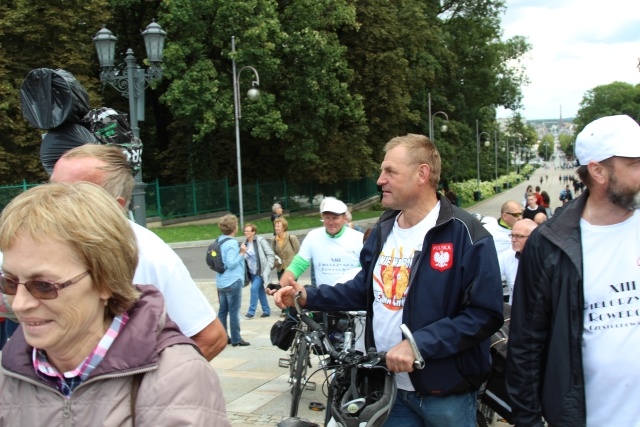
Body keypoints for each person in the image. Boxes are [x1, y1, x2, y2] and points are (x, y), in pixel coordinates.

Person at [273, 134, 503, 426]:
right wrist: (308, 296)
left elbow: (485, 314)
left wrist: (418, 344)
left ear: (422, 173)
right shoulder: (383, 227)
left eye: (390, 171)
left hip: (446, 394)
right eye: (382, 171)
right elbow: (365, 290)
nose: (380, 180)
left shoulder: (467, 234)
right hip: (388, 388)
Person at [0, 182, 229, 425]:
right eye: (10, 283)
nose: (20, 304)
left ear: (105, 281)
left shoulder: (176, 379)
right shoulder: (9, 372)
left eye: (44, 286)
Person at [507, 114, 640, 426]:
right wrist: (528, 420)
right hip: (587, 417)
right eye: (634, 164)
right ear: (597, 170)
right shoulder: (549, 244)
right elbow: (526, 343)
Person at [50, 144, 227, 360]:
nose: (51, 203)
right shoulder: (40, 244)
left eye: (73, 195)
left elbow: (210, 338)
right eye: (50, 189)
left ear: (115, 207)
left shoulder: (148, 255)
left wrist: (141, 390)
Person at [277, 197, 363, 288]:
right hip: (323, 297)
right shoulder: (313, 237)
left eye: (335, 218)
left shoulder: (358, 238)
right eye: (327, 218)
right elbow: (298, 264)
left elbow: (366, 270)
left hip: (351, 297)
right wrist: (279, 286)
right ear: (322, 217)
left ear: (344, 218)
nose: (330, 222)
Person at [216, 214, 250, 346]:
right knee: (234, 312)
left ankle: (224, 337)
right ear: (234, 228)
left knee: (223, 311)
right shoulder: (231, 243)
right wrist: (241, 252)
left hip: (221, 281)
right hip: (232, 281)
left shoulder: (219, 240)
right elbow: (231, 263)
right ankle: (236, 339)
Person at [497, 219, 537, 304]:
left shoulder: (546, 259)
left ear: (534, 237)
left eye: (519, 236)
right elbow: (488, 277)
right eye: (512, 235)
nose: (513, 240)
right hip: (515, 312)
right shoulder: (506, 256)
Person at [243, 223, 275, 318]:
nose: (246, 232)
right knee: (260, 290)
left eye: (249, 231)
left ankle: (251, 312)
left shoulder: (260, 241)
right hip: (251, 272)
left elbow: (270, 254)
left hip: (261, 271)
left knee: (253, 289)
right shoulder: (245, 243)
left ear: (254, 232)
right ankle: (266, 310)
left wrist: (268, 266)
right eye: (245, 231)